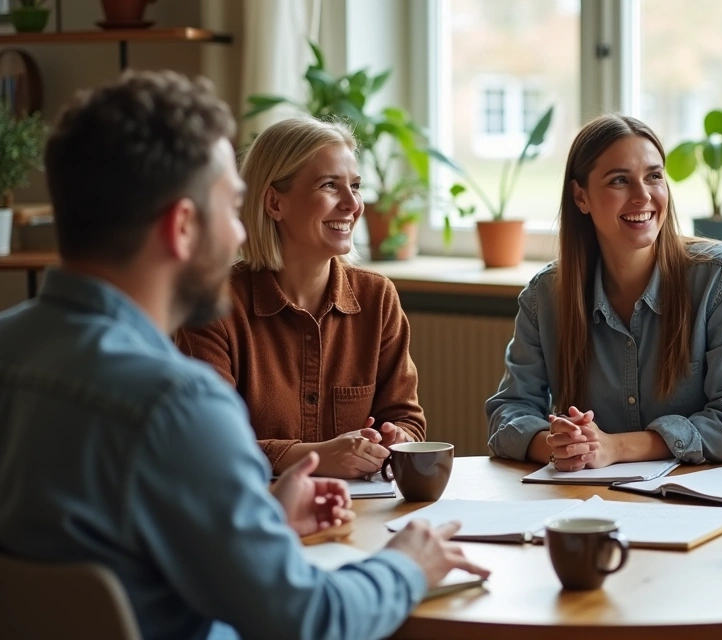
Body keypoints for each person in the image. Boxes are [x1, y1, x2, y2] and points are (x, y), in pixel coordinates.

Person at [0, 70, 486, 640]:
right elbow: (309, 621)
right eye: (232, 207)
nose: (239, 232)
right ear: (184, 226)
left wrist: (262, 517)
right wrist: (408, 564)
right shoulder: (177, 404)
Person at [486, 114, 722, 470]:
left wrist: (616, 447)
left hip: (708, 495)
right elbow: (508, 412)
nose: (643, 196)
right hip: (593, 496)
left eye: (654, 176)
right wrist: (561, 445)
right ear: (581, 196)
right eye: (619, 180)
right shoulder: (545, 296)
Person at [177, 117, 426, 479]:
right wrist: (315, 457)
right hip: (252, 506)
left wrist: (396, 438)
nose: (352, 204)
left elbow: (407, 419)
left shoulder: (377, 298)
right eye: (330, 185)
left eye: (355, 186)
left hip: (360, 506)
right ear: (274, 203)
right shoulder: (213, 305)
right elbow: (206, 443)